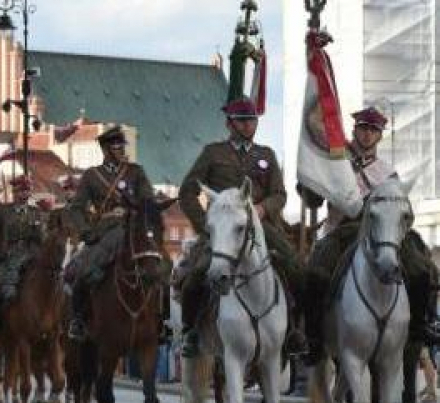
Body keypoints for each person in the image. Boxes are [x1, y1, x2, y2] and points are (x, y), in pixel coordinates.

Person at [303, 106, 440, 365]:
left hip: (382, 233)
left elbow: (403, 210)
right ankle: (313, 339)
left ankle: (420, 327)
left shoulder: (388, 173)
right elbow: (314, 200)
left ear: (379, 136)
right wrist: (309, 183)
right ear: (354, 130)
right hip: (343, 230)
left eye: (373, 130)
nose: (367, 135)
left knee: (423, 270)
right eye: (363, 128)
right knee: (314, 274)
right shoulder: (336, 163)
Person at [177, 98, 304, 358]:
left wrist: (263, 208)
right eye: (242, 121)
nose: (248, 126)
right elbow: (187, 192)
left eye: (252, 120)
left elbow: (279, 194)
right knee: (196, 276)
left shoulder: (266, 155)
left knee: (296, 269)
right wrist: (207, 225)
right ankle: (191, 332)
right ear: (229, 123)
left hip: (262, 227)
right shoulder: (213, 153)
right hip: (224, 230)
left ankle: (293, 332)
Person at [66, 126, 155, 341]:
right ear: (106, 149)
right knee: (83, 271)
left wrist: (137, 205)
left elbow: (148, 200)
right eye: (117, 147)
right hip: (105, 232)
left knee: (160, 268)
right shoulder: (92, 176)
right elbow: (76, 208)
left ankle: (161, 322)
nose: (122, 151)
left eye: (123, 146)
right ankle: (78, 319)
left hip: (134, 230)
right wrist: (86, 232)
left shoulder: (136, 172)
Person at [0, 175, 46, 338]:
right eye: (20, 191)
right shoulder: (2, 211)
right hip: (7, 256)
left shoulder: (36, 212)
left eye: (27, 191)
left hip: (31, 257)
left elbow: (43, 239)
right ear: (14, 192)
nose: (24, 194)